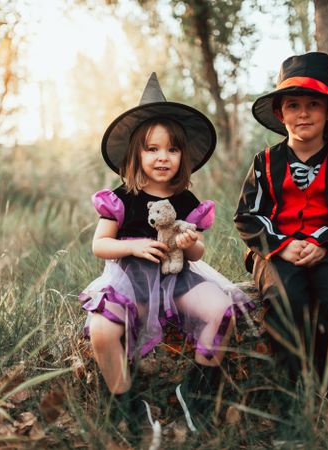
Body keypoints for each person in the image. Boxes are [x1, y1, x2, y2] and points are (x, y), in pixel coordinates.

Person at [80, 73, 253, 435]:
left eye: (172, 149)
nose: (163, 157)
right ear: (135, 153)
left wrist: (191, 245)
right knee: (102, 329)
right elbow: (100, 245)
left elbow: (195, 253)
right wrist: (133, 245)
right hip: (131, 278)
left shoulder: (187, 201)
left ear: (183, 155)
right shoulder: (122, 197)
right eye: (152, 149)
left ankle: (196, 391)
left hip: (178, 277)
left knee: (222, 313)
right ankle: (124, 401)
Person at [234, 52, 328, 434]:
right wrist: (280, 245)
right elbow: (247, 215)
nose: (304, 113)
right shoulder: (263, 162)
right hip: (275, 250)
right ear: (280, 114)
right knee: (285, 299)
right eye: (293, 105)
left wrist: (325, 242)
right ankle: (290, 404)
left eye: (314, 104)